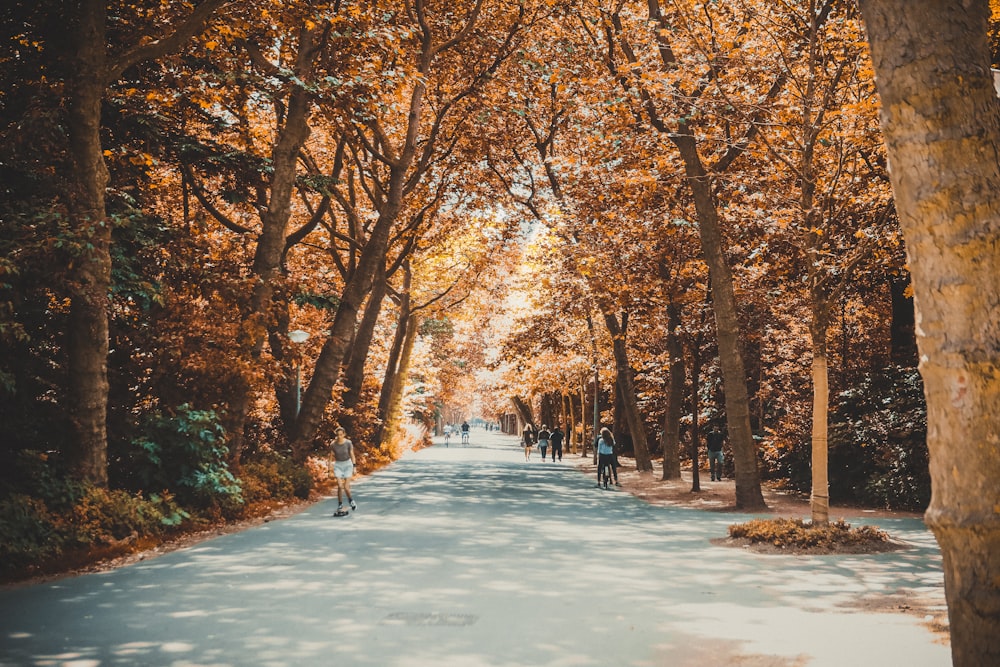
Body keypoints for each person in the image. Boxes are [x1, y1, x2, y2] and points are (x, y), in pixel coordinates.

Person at [330, 426, 357, 512]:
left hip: (348, 464)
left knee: (346, 487)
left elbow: (352, 455)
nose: (339, 436)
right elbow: (330, 458)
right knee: (339, 485)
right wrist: (329, 470)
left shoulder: (348, 443)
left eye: (341, 435)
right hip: (338, 465)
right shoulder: (333, 444)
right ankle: (340, 504)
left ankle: (351, 500)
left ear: (344, 434)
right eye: (338, 435)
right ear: (336, 435)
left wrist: (354, 467)